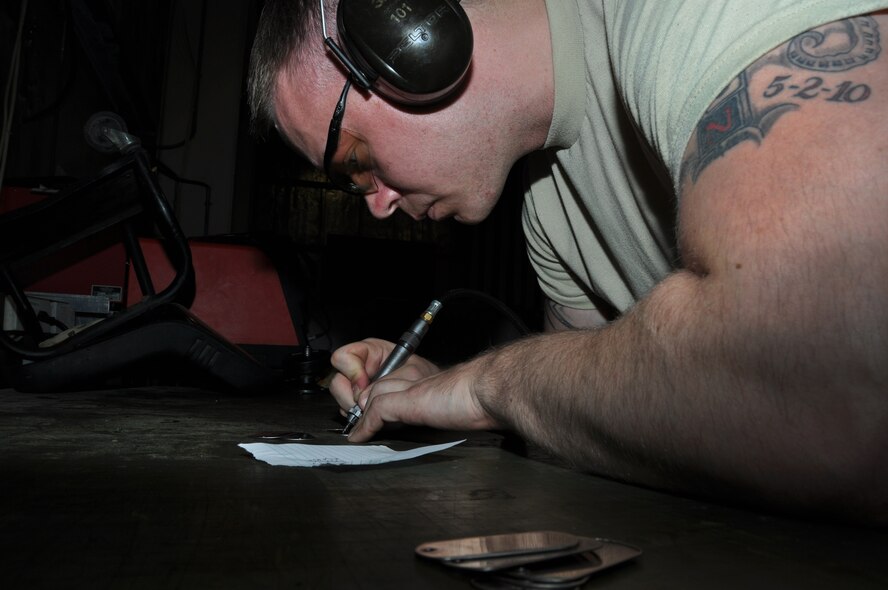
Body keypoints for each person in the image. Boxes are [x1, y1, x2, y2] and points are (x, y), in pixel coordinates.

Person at [248, 0, 888, 524]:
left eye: (353, 163)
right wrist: (438, 395)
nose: (378, 205)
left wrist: (489, 385)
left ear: (412, 29)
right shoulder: (550, 214)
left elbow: (834, 397)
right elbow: (588, 415)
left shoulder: (686, 12)